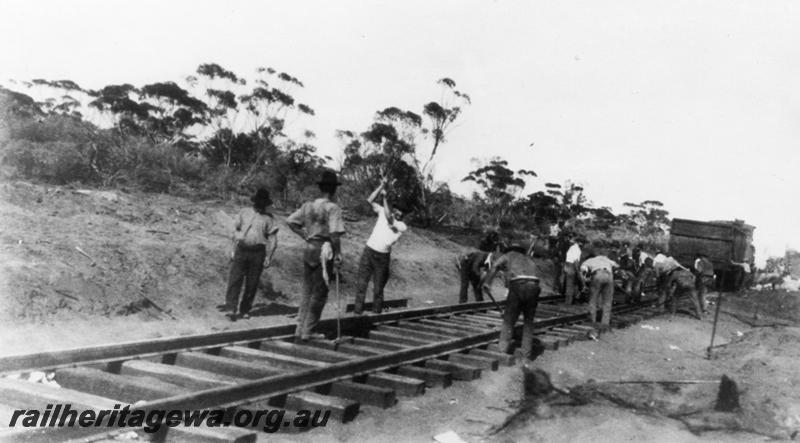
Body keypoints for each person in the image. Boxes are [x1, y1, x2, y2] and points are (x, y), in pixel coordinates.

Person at [287, 170, 346, 341]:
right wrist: (338, 254)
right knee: (319, 292)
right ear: (333, 190)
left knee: (307, 290)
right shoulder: (333, 208)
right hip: (323, 250)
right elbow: (334, 234)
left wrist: (305, 235)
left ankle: (299, 329)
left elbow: (290, 221)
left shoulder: (308, 206)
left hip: (309, 248)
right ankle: (309, 331)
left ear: (321, 188)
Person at [353, 177, 409, 314]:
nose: (399, 213)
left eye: (401, 213)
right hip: (369, 251)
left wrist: (384, 197)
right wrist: (381, 186)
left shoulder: (402, 226)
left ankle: (376, 315)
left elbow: (389, 219)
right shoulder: (383, 211)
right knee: (361, 285)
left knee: (378, 289)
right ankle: (357, 313)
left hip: (382, 258)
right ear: (394, 209)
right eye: (397, 210)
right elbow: (369, 200)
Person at [223, 188, 279, 321]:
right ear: (255, 201)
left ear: (266, 203)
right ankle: (231, 308)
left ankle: (245, 309)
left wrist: (269, 256)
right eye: (259, 200)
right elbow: (233, 229)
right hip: (241, 250)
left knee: (252, 283)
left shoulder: (269, 218)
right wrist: (231, 248)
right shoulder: (244, 212)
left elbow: (273, 239)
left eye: (263, 201)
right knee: (235, 279)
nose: (261, 203)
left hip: (258, 253)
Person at [481, 244, 541, 360]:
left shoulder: (508, 256)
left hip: (518, 285)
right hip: (534, 287)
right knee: (528, 322)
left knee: (508, 319)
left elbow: (495, 266)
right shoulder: (529, 260)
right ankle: (526, 356)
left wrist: (487, 283)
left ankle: (502, 350)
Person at [580, 254, 618, 326]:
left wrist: (585, 279)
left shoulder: (590, 260)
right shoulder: (607, 259)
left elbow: (583, 268)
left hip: (598, 275)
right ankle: (605, 323)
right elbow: (617, 266)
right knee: (607, 301)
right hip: (609, 276)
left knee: (593, 299)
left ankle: (592, 321)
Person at [562, 235, 583, 305]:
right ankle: (569, 303)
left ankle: (568, 301)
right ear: (579, 243)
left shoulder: (571, 247)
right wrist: (578, 272)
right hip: (572, 267)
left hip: (567, 266)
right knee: (571, 285)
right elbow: (576, 262)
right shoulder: (577, 249)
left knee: (569, 284)